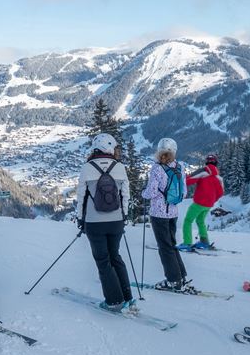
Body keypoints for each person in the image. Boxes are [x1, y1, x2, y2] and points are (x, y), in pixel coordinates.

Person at [74, 133, 135, 312]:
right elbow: (126, 195)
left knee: (103, 260)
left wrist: (80, 219)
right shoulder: (120, 167)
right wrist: (124, 217)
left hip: (94, 222)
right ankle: (128, 297)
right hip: (116, 221)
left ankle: (114, 301)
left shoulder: (87, 168)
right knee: (115, 256)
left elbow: (81, 198)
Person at [141, 138, 189, 291]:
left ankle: (173, 281)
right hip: (173, 212)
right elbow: (185, 193)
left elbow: (151, 192)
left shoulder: (157, 168)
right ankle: (181, 276)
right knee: (172, 245)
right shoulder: (179, 167)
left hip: (158, 214)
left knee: (164, 247)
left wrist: (143, 193)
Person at [180, 154, 225, 250]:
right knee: (200, 221)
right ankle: (204, 242)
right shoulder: (218, 178)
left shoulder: (203, 172)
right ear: (216, 163)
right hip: (209, 205)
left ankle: (187, 243)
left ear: (206, 162)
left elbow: (188, 181)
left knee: (188, 221)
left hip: (198, 203)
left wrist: (179, 181)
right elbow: (221, 193)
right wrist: (212, 199)